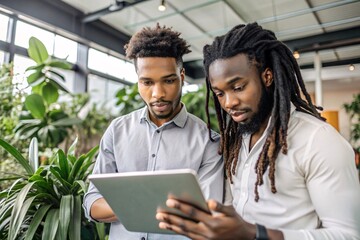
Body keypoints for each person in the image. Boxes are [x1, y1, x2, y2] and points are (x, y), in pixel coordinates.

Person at [156, 22, 360, 240]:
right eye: (220, 93)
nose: (229, 103)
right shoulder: (237, 140)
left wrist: (255, 234)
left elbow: (347, 235)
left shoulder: (318, 140)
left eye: (238, 87)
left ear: (267, 77)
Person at [83, 24, 224, 240]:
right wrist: (157, 206)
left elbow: (208, 213)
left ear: (182, 76)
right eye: (147, 82)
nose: (158, 94)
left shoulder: (208, 141)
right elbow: (92, 203)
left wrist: (128, 205)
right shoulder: (117, 131)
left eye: (168, 81)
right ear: (138, 81)